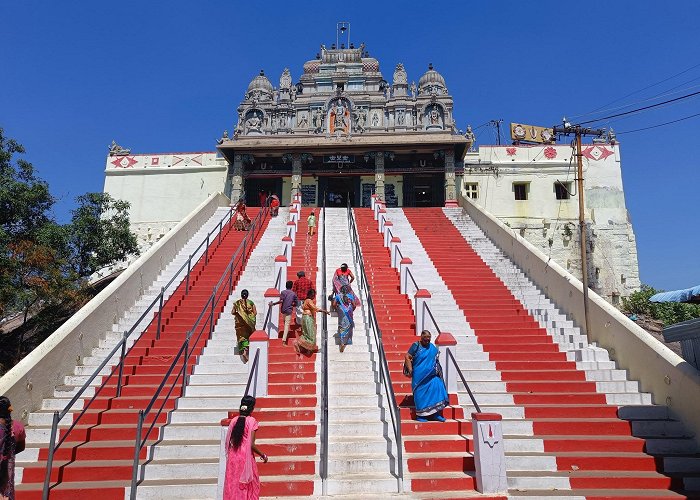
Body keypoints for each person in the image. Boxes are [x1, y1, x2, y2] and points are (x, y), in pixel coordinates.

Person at [223, 395, 268, 499]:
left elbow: (230, 442)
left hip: (233, 458)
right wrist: (263, 455)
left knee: (233, 484)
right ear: (251, 408)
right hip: (245, 458)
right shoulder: (252, 421)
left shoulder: (234, 420)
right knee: (248, 486)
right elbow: (251, 445)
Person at [404, 330, 449, 422]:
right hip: (419, 376)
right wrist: (410, 369)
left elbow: (435, 359)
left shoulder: (432, 347)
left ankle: (435, 414)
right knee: (420, 394)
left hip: (431, 375)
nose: (427, 341)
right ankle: (421, 415)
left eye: (429, 339)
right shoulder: (416, 346)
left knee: (438, 386)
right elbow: (407, 356)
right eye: (425, 339)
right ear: (421, 337)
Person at [0, 396, 26, 500]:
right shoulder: (18, 426)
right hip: (8, 469)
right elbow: (21, 447)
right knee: (7, 493)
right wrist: (8, 455)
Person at [294, 289, 329, 354]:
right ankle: (305, 347)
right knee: (311, 334)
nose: (314, 297)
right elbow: (314, 308)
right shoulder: (309, 300)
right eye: (313, 295)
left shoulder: (305, 301)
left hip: (305, 317)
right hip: (308, 318)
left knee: (306, 333)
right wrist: (324, 311)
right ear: (310, 295)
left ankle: (306, 348)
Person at [270, 281, 298, 345]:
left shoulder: (283, 292)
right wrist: (293, 305)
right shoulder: (293, 294)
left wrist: (273, 304)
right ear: (291, 286)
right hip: (289, 310)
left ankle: (285, 335)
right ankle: (284, 340)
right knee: (286, 325)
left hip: (283, 310)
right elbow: (296, 302)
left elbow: (281, 301)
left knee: (285, 323)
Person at [334, 285, 360, 352]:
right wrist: (351, 310)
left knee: (342, 326)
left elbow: (334, 304)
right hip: (349, 311)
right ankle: (348, 341)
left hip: (341, 311)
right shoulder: (350, 296)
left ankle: (342, 343)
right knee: (349, 326)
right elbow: (354, 305)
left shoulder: (338, 296)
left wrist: (337, 309)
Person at [233, 290, 257, 363]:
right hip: (249, 323)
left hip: (240, 324)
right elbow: (255, 313)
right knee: (248, 336)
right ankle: (245, 352)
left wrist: (240, 315)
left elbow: (233, 312)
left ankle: (243, 351)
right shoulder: (251, 303)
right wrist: (249, 319)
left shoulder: (237, 303)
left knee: (241, 337)